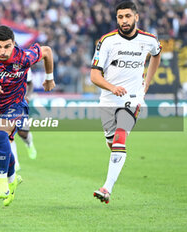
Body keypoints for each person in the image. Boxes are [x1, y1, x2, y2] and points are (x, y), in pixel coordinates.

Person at [0, 25, 55, 206]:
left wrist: (49, 77)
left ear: (14, 44)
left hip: (15, 105)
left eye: (7, 46)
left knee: (0, 134)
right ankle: (13, 178)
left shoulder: (23, 57)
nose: (3, 51)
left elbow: (46, 51)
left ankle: (2, 181)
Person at [90, 1, 161, 204]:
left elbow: (156, 54)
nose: (124, 21)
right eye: (120, 17)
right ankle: (115, 156)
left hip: (133, 97)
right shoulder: (107, 41)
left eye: (128, 16)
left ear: (136, 17)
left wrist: (147, 82)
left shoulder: (149, 40)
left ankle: (106, 188)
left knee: (120, 139)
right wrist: (112, 88)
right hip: (108, 98)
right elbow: (94, 76)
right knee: (113, 143)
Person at [11, 69, 38, 172]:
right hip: (3, 102)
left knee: (23, 133)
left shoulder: (23, 61)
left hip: (19, 102)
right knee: (8, 133)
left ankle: (29, 143)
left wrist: (28, 96)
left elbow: (30, 83)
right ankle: (15, 163)